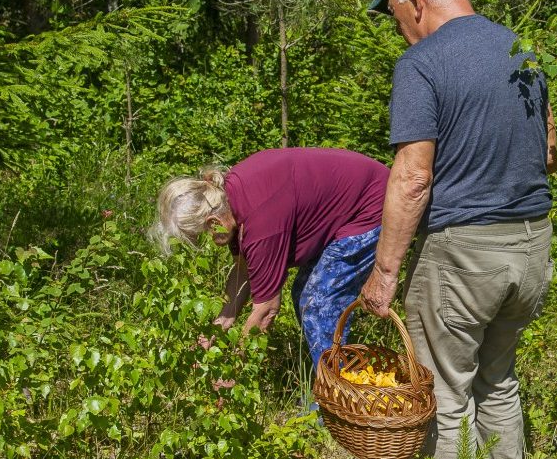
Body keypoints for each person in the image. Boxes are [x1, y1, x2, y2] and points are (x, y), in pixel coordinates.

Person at [359, 0, 557, 459]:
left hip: (463, 256)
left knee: (445, 395)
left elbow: (413, 177)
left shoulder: (422, 64)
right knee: (498, 381)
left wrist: (385, 271)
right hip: (532, 247)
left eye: (394, 12)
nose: (397, 26)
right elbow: (549, 152)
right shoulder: (522, 51)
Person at [151, 147, 389, 371]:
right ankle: (330, 380)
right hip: (350, 200)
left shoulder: (260, 224)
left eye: (205, 233)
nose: (211, 240)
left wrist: (233, 371)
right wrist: (217, 329)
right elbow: (243, 271)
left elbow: (266, 310)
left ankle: (338, 392)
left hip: (374, 203)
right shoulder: (228, 199)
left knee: (317, 303)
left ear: (214, 222)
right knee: (305, 295)